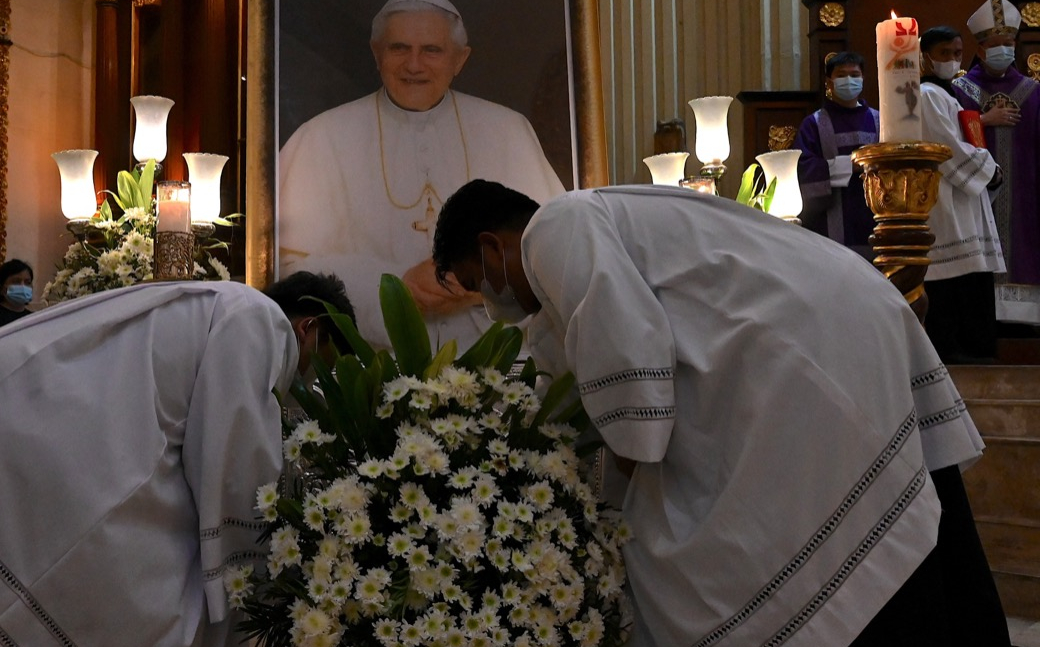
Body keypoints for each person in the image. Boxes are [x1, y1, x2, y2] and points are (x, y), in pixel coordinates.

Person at [431, 180, 1009, 647]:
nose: (490, 303)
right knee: (923, 517)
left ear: (491, 246)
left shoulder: (556, 225)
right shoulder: (586, 246)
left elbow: (627, 368)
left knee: (680, 561)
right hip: (840, 320)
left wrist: (629, 485)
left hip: (812, 341)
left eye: (477, 284)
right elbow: (567, 389)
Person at [0, 273, 355, 647]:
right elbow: (235, 469)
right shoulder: (261, 320)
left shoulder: (205, 302)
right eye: (317, 368)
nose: (302, 385)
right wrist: (264, 577)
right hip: (0, 436)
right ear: (309, 325)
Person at [277, 0, 566, 350]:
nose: (414, 65)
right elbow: (283, 265)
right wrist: (394, 285)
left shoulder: (507, 130)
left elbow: (554, 247)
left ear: (460, 60)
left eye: (432, 50)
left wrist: (481, 280)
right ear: (376, 53)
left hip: (496, 359)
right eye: (399, 48)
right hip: (373, 362)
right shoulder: (322, 137)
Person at [918, 25, 1006, 363]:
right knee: (953, 276)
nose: (953, 60)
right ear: (926, 57)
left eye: (957, 53)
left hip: (965, 198)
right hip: (948, 199)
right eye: (944, 54)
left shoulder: (949, 94)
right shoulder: (927, 94)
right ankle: (959, 352)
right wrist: (988, 168)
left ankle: (978, 352)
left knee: (972, 275)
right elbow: (945, 147)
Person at [953, 0, 1040, 328]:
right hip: (976, 195)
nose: (1004, 49)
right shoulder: (960, 90)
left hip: (1025, 194)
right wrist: (982, 121)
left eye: (1009, 43)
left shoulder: (1032, 91)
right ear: (980, 49)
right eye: (995, 44)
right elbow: (948, 135)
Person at [792, 51, 881, 257]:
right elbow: (803, 168)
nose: (848, 80)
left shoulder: (879, 120)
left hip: (874, 217)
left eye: (854, 74)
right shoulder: (814, 123)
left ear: (863, 78)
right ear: (829, 82)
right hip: (832, 221)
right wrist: (847, 165)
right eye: (841, 75)